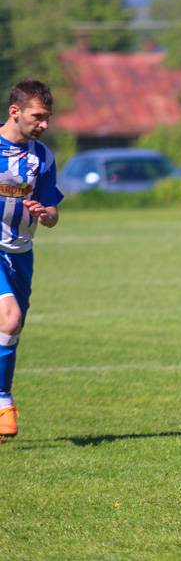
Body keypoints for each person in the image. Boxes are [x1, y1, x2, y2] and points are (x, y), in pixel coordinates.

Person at [0, 78, 64, 442]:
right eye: (38, 116)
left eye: (48, 118)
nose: (44, 124)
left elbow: (53, 215)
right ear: (15, 111)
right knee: (10, 319)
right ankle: (3, 403)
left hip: (21, 252)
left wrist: (44, 214)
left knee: (10, 332)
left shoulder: (43, 157)